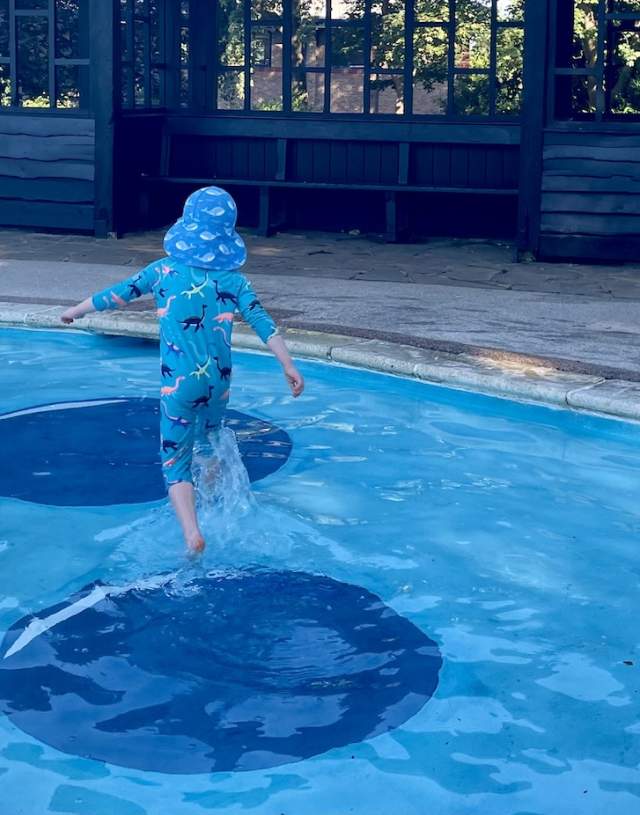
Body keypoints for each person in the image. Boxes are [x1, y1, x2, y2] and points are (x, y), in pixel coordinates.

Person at [61, 186, 304, 554]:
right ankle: (212, 505)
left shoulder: (162, 271)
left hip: (179, 382)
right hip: (218, 382)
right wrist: (288, 365)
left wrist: (75, 311)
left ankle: (192, 533)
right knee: (212, 439)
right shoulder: (235, 282)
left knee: (175, 460)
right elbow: (263, 322)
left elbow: (119, 293)